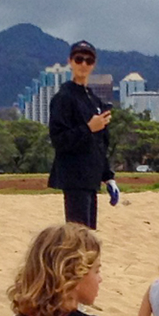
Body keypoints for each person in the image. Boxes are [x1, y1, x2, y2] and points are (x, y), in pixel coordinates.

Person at [46, 40, 118, 229]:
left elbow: (100, 143)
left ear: (94, 64)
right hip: (74, 177)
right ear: (70, 61)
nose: (83, 64)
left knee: (89, 236)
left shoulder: (94, 99)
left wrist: (108, 176)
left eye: (89, 60)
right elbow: (59, 140)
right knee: (77, 236)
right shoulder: (63, 98)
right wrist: (88, 128)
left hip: (91, 179)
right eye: (79, 59)